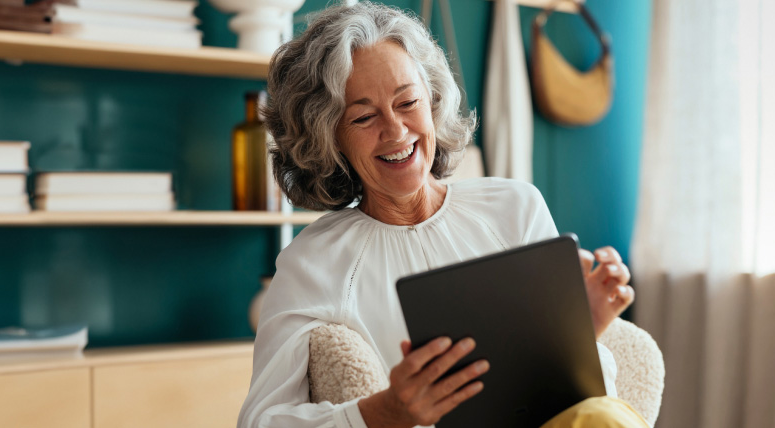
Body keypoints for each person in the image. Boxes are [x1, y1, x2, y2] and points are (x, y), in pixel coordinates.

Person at [238, 2, 644, 428]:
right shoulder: (313, 262)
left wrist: (582, 334)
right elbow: (261, 421)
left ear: (432, 101)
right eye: (363, 116)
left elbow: (576, 407)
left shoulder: (515, 208)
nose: (395, 131)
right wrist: (387, 411)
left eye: (407, 101)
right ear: (329, 138)